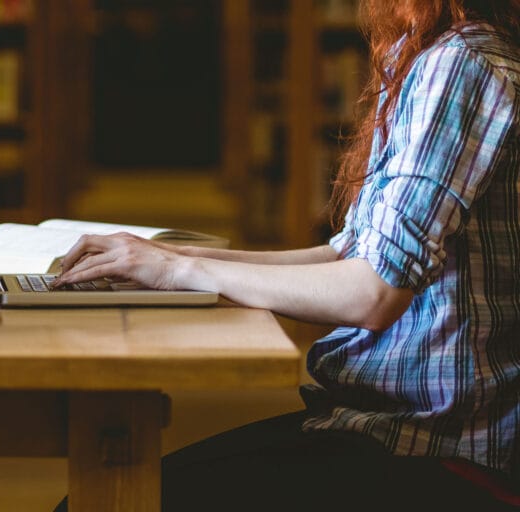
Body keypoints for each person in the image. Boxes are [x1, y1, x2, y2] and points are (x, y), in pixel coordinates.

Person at [53, 0, 520, 509]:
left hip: (430, 442)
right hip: (383, 422)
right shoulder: (442, 51)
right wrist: (162, 257)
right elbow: (349, 252)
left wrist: (181, 271)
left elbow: (374, 290)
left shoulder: (464, 64)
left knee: (105, 500)